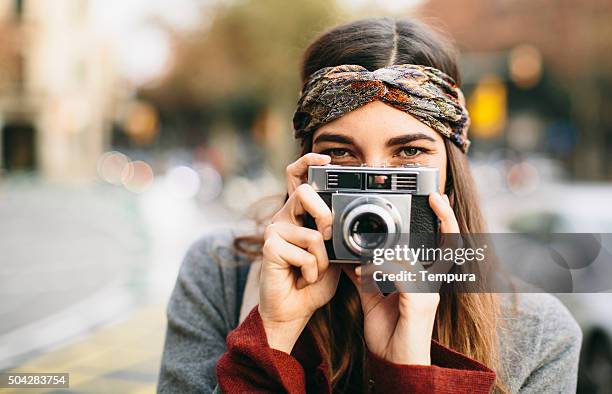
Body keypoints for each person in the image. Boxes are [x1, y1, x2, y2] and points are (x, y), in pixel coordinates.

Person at [157, 17, 581, 393]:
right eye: (341, 154)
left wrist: (409, 370)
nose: (375, 192)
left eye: (410, 153)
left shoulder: (540, 335)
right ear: (305, 169)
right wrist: (272, 335)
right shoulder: (220, 274)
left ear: (451, 168)